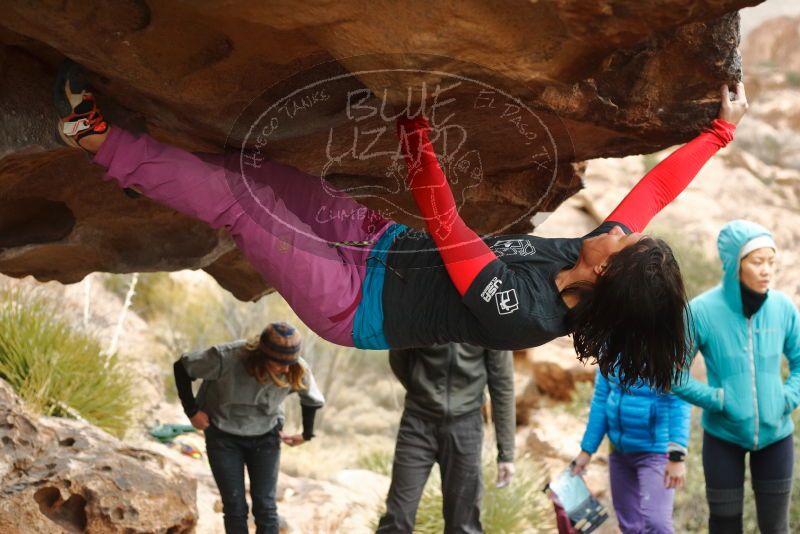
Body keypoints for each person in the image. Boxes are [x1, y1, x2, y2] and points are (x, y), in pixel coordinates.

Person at [55, 60, 748, 390]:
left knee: (243, 205)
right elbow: (654, 188)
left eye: (624, 242)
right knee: (260, 172)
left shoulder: (526, 314)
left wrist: (414, 126)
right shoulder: (592, 257)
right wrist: (719, 131)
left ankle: (92, 136)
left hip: (352, 303)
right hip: (377, 242)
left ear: (605, 274)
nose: (621, 228)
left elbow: (447, 226)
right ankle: (150, 150)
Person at [672, 220, 800, 534]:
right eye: (757, 262)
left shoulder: (784, 308)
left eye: (771, 262)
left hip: (776, 435)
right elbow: (673, 373)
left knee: (775, 527)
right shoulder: (701, 311)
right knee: (725, 526)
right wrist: (716, 399)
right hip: (722, 437)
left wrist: (788, 397)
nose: (766, 270)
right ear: (734, 265)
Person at [173, 321, 325, 534]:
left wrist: (306, 435)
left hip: (266, 435)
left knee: (265, 506)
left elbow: (312, 400)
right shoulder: (227, 357)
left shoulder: (295, 367)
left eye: (291, 361)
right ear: (262, 355)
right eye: (280, 363)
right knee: (235, 506)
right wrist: (192, 411)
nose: (287, 368)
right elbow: (182, 367)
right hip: (223, 434)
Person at [377, 343, 515, 533]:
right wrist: (422, 390)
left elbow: (502, 382)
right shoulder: (419, 312)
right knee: (397, 519)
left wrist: (506, 453)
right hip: (417, 422)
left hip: (466, 427)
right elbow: (398, 356)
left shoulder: (491, 319)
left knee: (463, 525)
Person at [572, 368, 691, 533]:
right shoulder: (609, 346)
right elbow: (600, 400)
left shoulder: (666, 347)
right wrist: (587, 450)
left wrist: (677, 456)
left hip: (655, 452)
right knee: (630, 526)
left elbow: (679, 403)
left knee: (658, 525)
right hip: (619, 452)